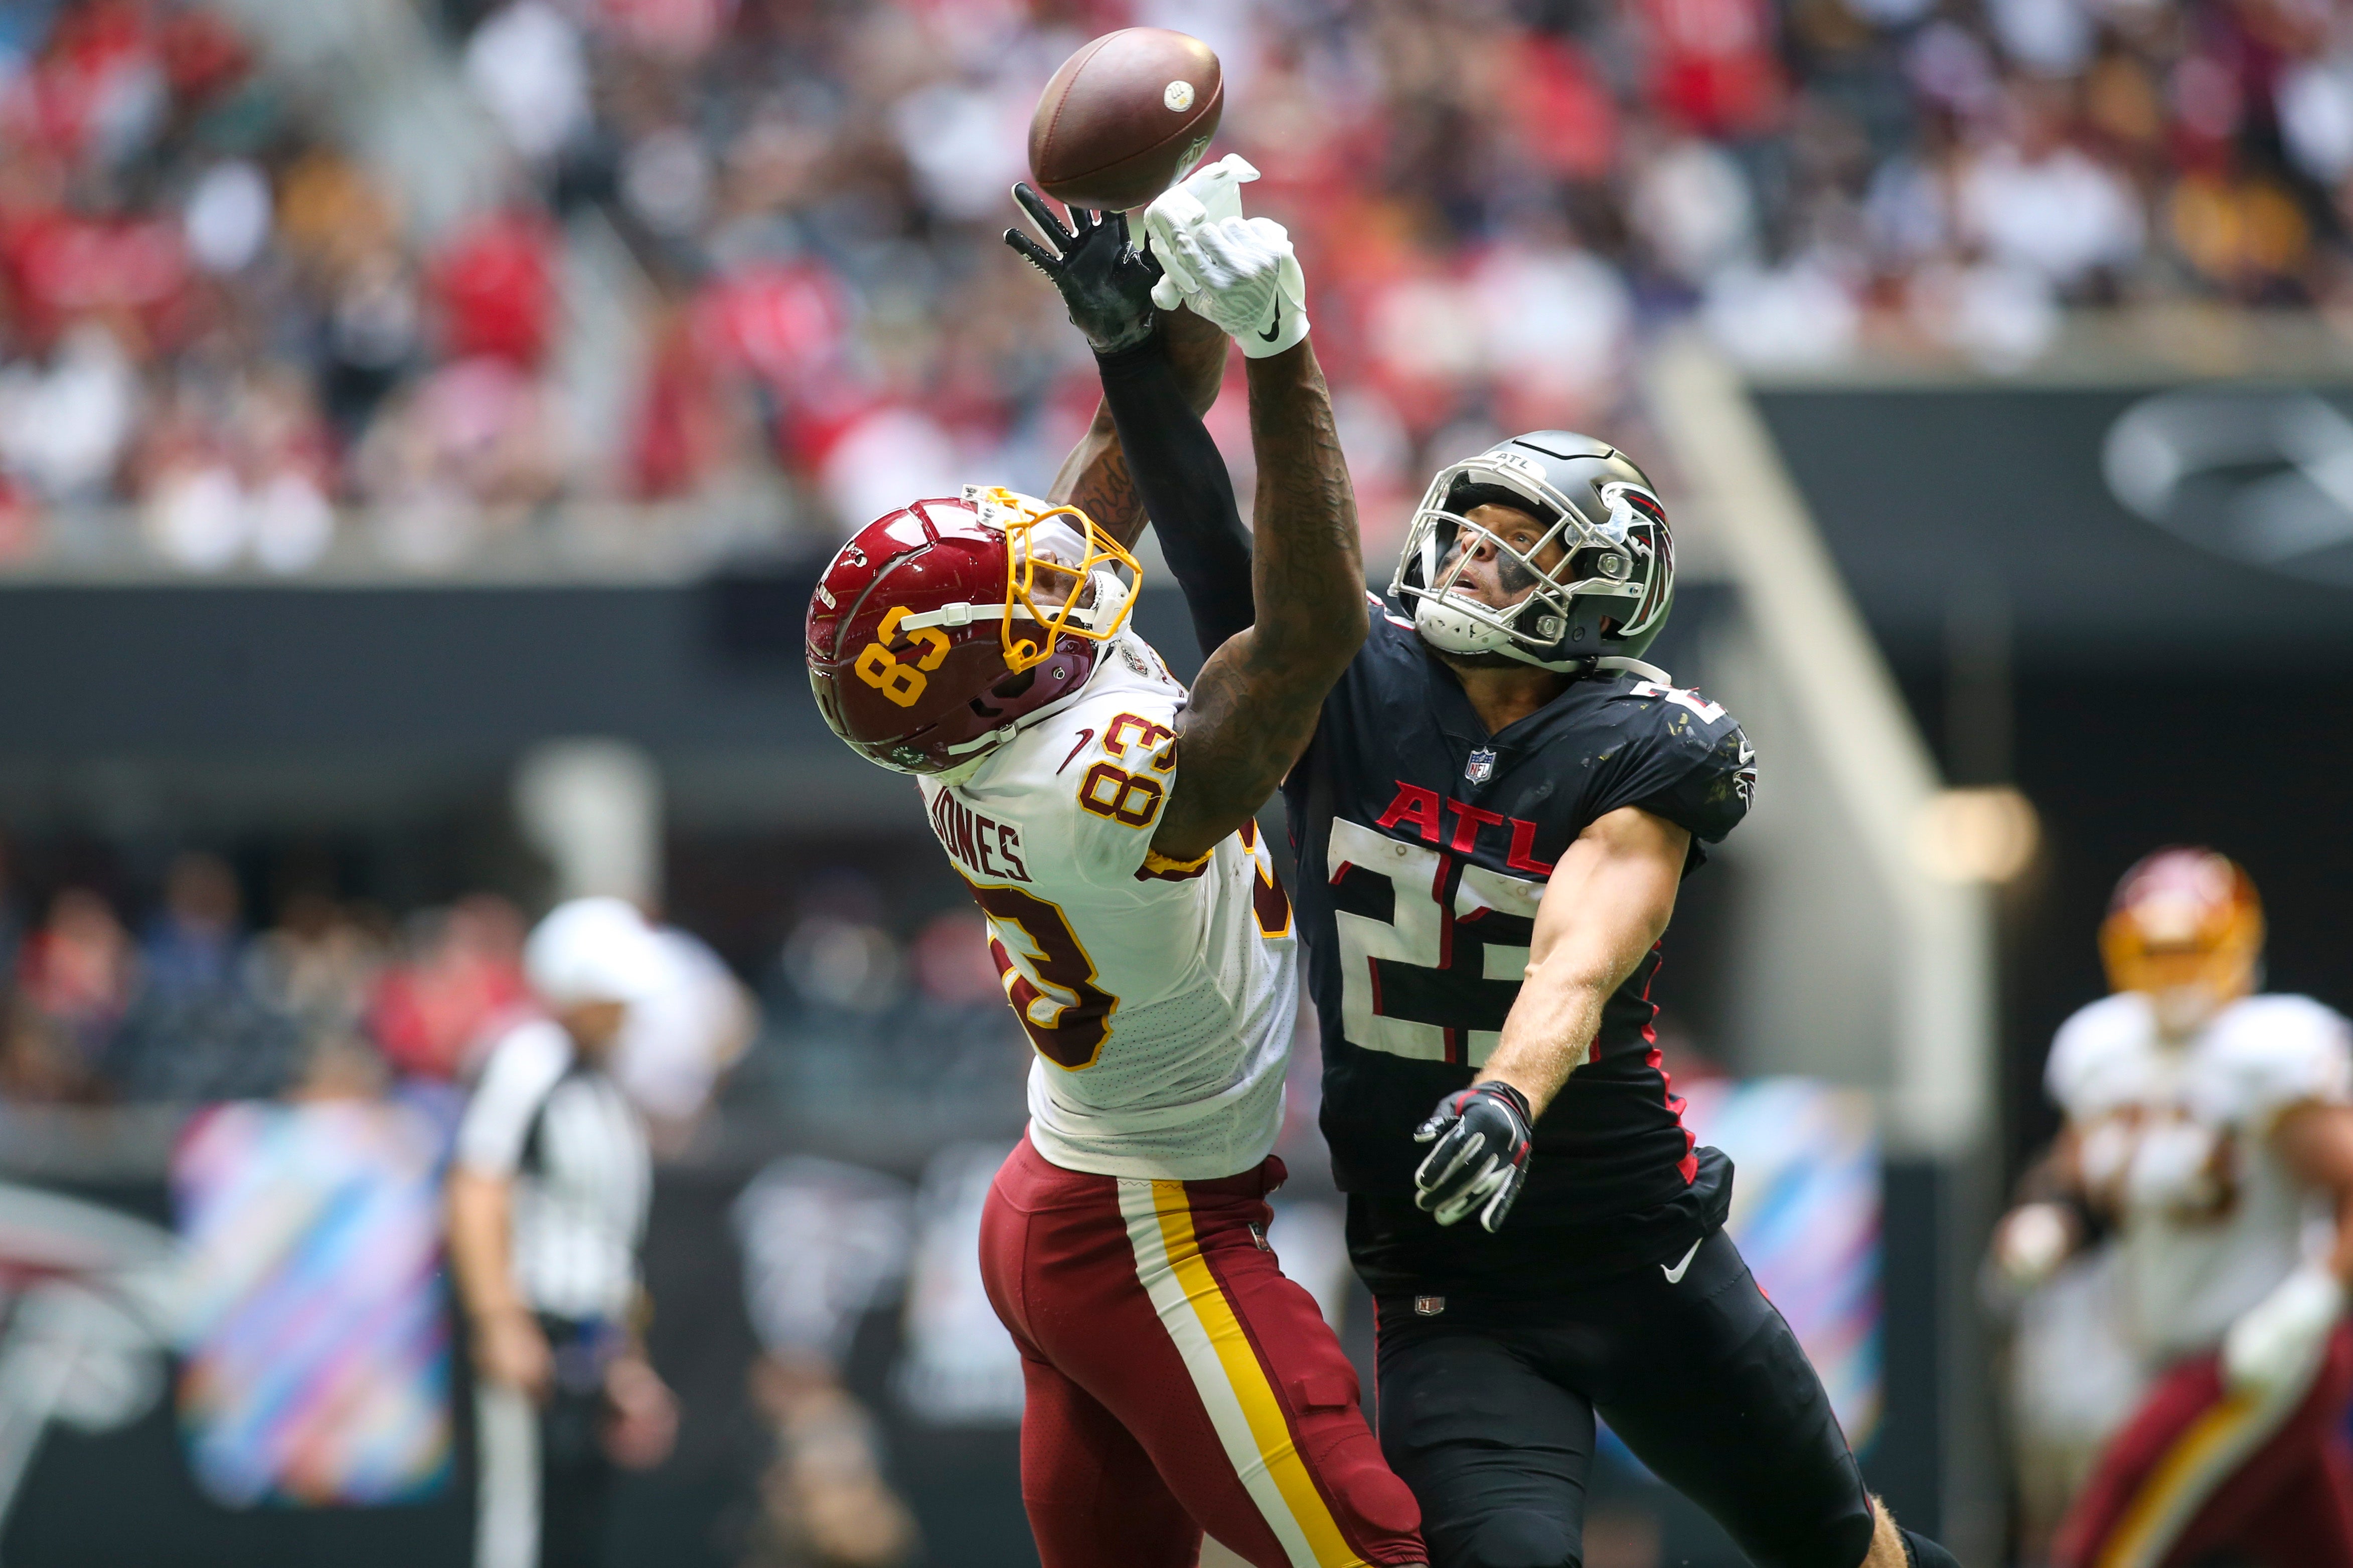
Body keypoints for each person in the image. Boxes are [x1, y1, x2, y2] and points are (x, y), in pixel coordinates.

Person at [1124, 165, 1962, 1568]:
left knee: (1836, 1547)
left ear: (1602, 594)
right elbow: (1218, 548)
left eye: (1519, 554)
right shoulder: (1361, 678)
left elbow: (1582, 951)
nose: (1471, 563)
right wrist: (1131, 360)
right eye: (1470, 534)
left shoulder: (1641, 742)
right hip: (1450, 1283)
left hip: (1635, 1249)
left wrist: (1508, 1094)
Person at [805, 180, 1426, 1568]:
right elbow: (1311, 636)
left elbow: (1118, 457)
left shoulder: (967, 724)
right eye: (1018, 608)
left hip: (1064, 1188)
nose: (1048, 578)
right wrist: (1280, 345)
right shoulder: (1089, 785)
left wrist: (1147, 300)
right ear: (992, 691)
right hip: (1150, 1235)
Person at [1990, 848, 2353, 1568]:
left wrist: (2313, 1302)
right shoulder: (2103, 1049)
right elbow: (2076, 1181)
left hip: (2260, 1351)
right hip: (2171, 1350)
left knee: (2115, 1524)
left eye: (2193, 948)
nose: (2175, 970)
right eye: (2155, 951)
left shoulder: (2269, 1051)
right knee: (2314, 1540)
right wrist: (2049, 1226)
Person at [446, 897, 680, 1568]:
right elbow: (477, 1187)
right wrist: (500, 1322)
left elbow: (610, 1237)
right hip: (535, 1326)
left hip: (588, 1338)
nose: (628, 1012)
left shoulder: (603, 1084)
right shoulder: (530, 1059)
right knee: (519, 1523)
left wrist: (626, 1356)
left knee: (577, 1525)